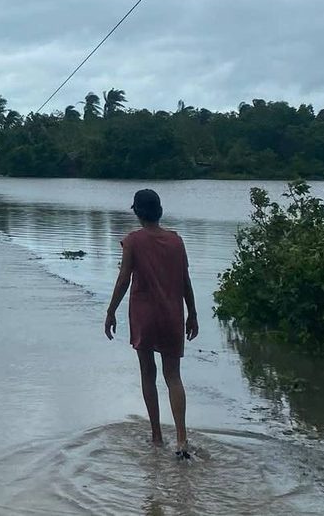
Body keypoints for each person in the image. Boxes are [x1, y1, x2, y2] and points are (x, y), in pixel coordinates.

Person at [104, 189, 198, 458]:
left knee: (148, 373)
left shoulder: (133, 241)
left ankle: (156, 437)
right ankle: (181, 440)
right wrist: (192, 313)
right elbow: (185, 281)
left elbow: (124, 280)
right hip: (172, 315)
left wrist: (111, 311)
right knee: (173, 377)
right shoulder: (176, 242)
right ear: (159, 210)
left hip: (144, 314)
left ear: (137, 212)